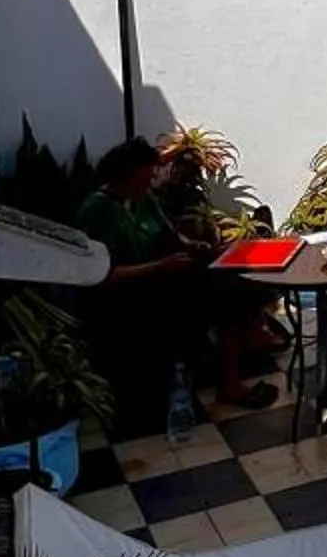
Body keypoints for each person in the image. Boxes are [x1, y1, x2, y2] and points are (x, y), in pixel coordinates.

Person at [78, 137, 274, 421]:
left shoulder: (142, 198)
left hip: (164, 275)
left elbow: (170, 234)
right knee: (227, 297)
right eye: (144, 179)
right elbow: (100, 274)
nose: (150, 183)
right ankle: (234, 374)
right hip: (130, 291)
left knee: (235, 276)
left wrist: (193, 246)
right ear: (124, 178)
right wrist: (158, 267)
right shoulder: (97, 211)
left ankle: (251, 337)